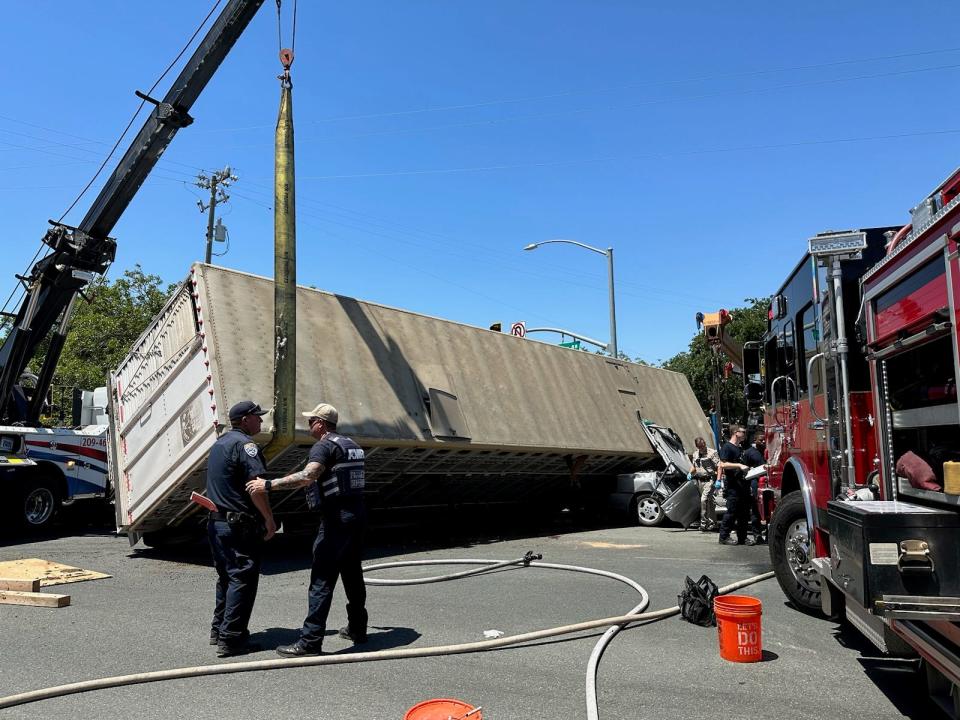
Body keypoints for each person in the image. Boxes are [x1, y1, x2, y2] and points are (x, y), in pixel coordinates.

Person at [247, 402, 368, 657]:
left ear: (321, 424)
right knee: (352, 574)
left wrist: (268, 485)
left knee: (321, 580)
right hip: (356, 518)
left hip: (335, 521)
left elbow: (308, 476)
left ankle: (311, 641)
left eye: (311, 420)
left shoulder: (324, 446)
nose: (308, 424)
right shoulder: (352, 446)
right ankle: (358, 627)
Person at [206, 400, 277, 657]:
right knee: (243, 578)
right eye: (257, 417)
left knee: (227, 577)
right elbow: (255, 486)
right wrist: (269, 518)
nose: (261, 421)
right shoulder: (246, 445)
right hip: (239, 525)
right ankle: (232, 638)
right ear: (245, 419)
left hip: (217, 523)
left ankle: (219, 630)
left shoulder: (219, 444)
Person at [717, 424, 754, 546]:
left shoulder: (740, 448)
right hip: (733, 486)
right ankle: (724, 537)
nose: (744, 434)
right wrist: (739, 465)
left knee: (743, 513)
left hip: (742, 485)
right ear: (735, 433)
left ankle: (742, 537)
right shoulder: (727, 447)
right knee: (731, 512)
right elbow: (722, 464)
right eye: (742, 431)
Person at [689, 437, 720, 532]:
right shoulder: (695, 454)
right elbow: (694, 466)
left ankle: (703, 524)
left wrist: (718, 480)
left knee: (704, 500)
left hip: (710, 480)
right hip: (700, 481)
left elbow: (719, 466)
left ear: (705, 443)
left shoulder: (712, 453)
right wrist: (690, 473)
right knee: (709, 503)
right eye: (700, 447)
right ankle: (713, 523)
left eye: (703, 446)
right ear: (697, 446)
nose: (702, 448)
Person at [742, 432, 766, 544]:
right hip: (755, 483)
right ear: (755, 440)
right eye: (760, 440)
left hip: (767, 482)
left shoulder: (768, 451)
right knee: (756, 510)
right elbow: (745, 470)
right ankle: (757, 535)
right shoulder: (749, 453)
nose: (763, 442)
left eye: (764, 440)